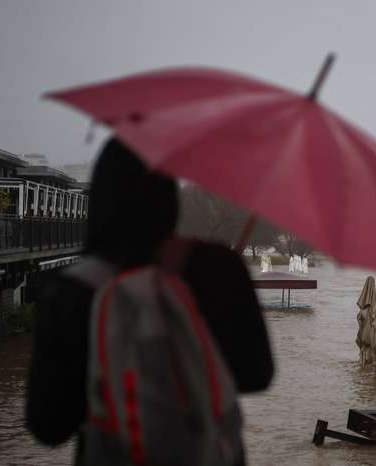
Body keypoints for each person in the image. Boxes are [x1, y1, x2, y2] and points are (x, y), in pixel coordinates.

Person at [26, 138, 274, 464]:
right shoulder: (219, 269)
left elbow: (48, 427)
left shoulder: (72, 288)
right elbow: (257, 375)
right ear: (169, 196)